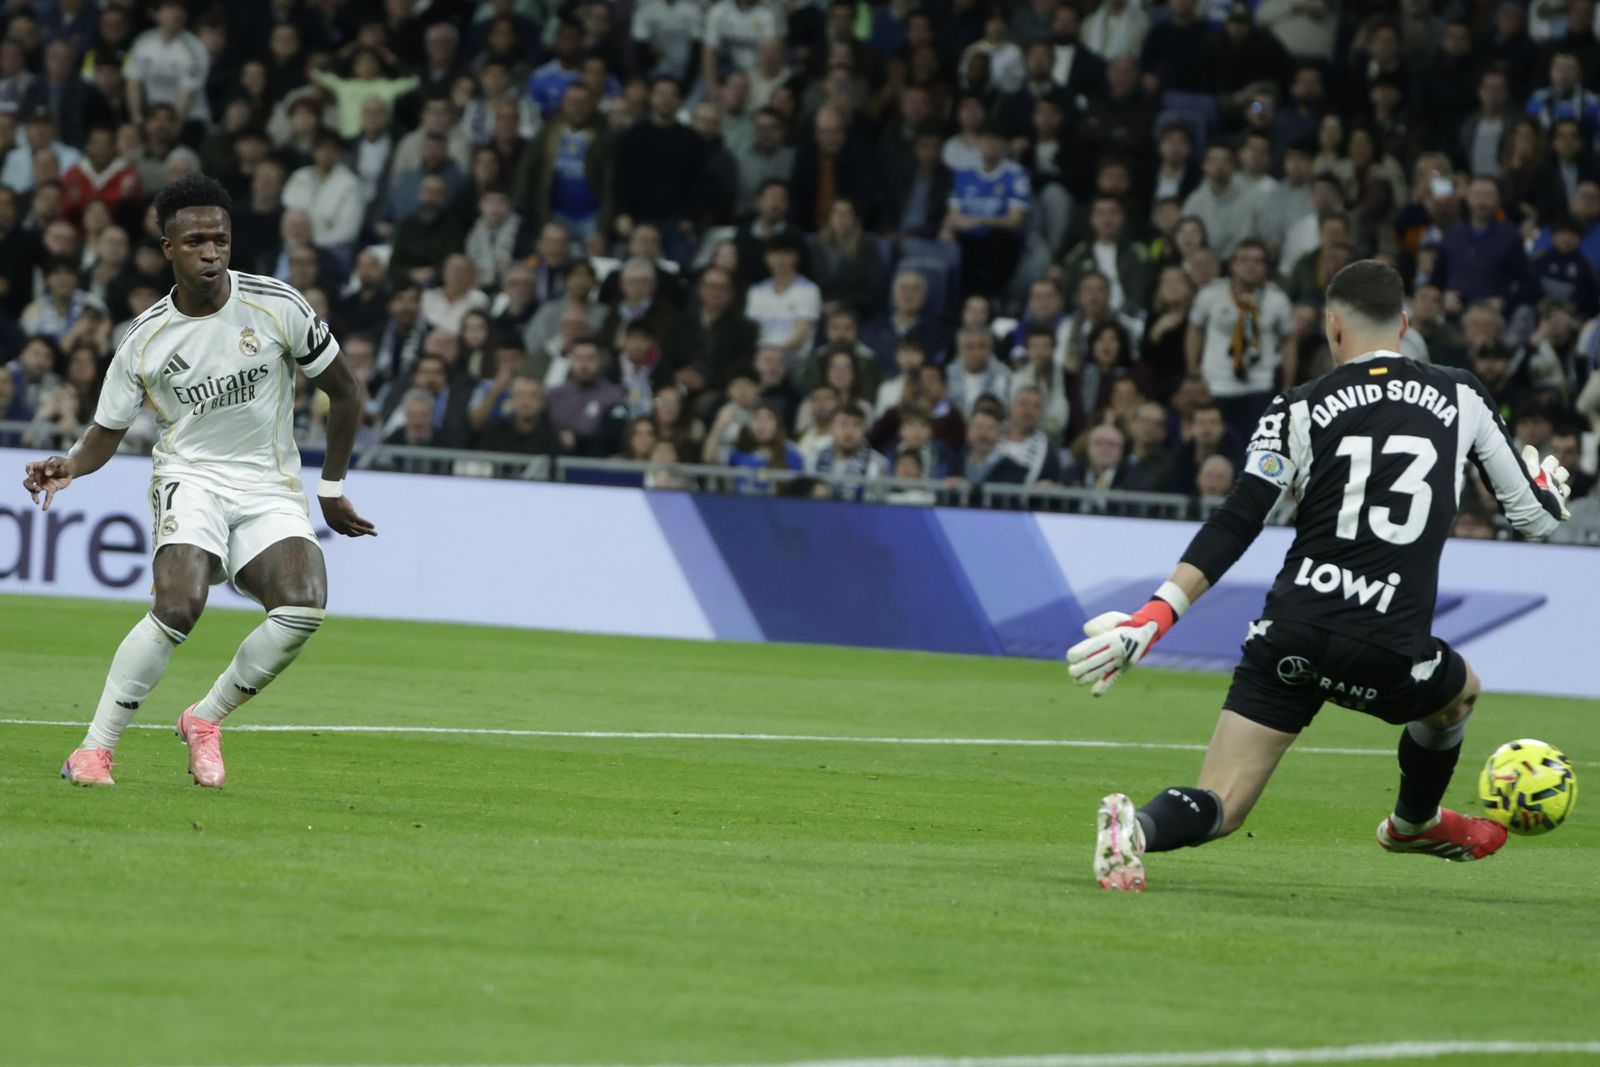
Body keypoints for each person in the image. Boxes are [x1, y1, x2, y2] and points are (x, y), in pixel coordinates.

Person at [1070, 260, 1573, 894]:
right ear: (1406, 326)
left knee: (1222, 801)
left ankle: (1134, 832)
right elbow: (1533, 518)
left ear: (1333, 327)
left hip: (1292, 632)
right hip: (1387, 645)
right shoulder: (1460, 393)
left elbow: (1239, 517)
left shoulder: (1299, 405)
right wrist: (1551, 492)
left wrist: (1156, 614)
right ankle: (1413, 821)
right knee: (1460, 693)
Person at [23, 175, 375, 790]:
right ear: (168, 249)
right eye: (195, 242)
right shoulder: (144, 339)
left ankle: (205, 719)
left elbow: (344, 390)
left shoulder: (277, 305)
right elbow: (106, 431)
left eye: (221, 240)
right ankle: (95, 750)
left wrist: (330, 487)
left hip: (268, 485)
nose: (211, 252)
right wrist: (69, 464)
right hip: (190, 478)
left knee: (303, 605)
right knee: (179, 605)